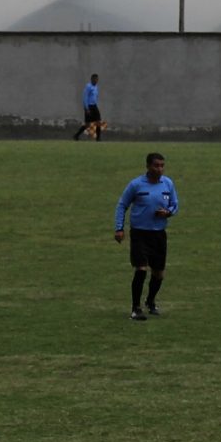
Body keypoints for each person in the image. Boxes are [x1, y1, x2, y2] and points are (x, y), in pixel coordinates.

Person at [114, 152, 179, 320]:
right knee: (141, 269)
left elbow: (175, 205)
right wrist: (119, 228)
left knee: (158, 273)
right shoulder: (136, 185)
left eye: (162, 166)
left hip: (158, 234)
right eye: (156, 166)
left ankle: (150, 301)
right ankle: (135, 308)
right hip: (139, 233)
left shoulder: (168, 184)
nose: (160, 169)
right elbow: (122, 205)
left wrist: (167, 212)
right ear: (148, 166)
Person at [73, 73, 102, 141]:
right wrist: (86, 108)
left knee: (98, 122)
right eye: (95, 79)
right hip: (89, 107)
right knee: (87, 124)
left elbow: (95, 96)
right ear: (92, 79)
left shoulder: (96, 87)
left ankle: (98, 138)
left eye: (97, 79)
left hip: (94, 106)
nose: (96, 80)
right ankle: (76, 135)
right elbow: (85, 97)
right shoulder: (88, 86)